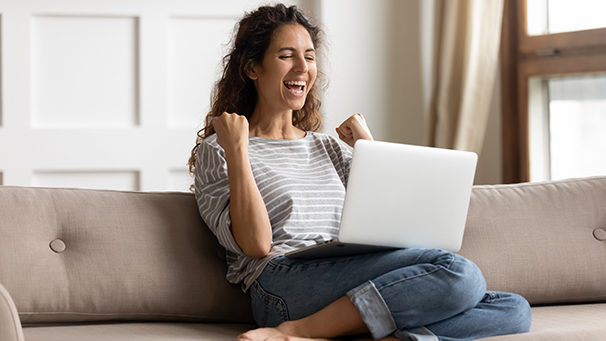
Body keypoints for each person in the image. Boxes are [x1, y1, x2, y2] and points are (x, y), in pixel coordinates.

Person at [188, 4, 531, 341]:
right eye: (286, 55)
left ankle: (351, 329)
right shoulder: (220, 150)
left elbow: (395, 226)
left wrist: (369, 147)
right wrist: (238, 150)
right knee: (460, 274)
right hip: (282, 285)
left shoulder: (329, 148)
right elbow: (257, 244)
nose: (302, 68)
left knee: (513, 308)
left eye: (309, 56)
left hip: (349, 269)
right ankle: (296, 330)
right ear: (252, 68)